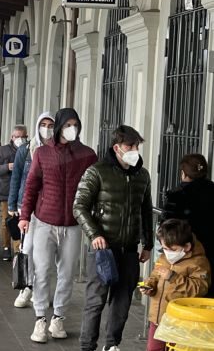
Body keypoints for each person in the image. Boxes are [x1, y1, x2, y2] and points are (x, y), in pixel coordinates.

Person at [18, 107, 97, 343]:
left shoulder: (87, 155)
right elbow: (31, 186)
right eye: (68, 124)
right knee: (41, 271)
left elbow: (94, 188)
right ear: (60, 126)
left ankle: (59, 317)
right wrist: (24, 216)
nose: (72, 128)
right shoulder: (42, 153)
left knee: (67, 273)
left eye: (76, 124)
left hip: (73, 224)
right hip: (44, 222)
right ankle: (40, 318)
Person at [74, 125, 154, 351]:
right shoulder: (97, 171)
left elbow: (146, 211)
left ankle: (112, 345)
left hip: (129, 248)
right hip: (103, 249)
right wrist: (95, 234)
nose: (134, 150)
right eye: (130, 145)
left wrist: (148, 244)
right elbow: (79, 206)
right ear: (117, 147)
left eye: (137, 146)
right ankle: (87, 346)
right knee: (96, 301)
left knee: (122, 302)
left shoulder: (142, 175)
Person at [140, 219, 211, 351]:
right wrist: (150, 286)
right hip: (157, 317)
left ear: (187, 247)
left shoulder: (198, 262)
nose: (167, 253)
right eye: (164, 248)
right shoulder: (163, 257)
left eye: (172, 249)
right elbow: (155, 275)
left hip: (179, 320)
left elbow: (199, 289)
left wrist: (173, 277)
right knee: (153, 348)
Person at [8, 112, 54, 308]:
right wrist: (12, 204)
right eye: (43, 124)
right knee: (27, 248)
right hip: (27, 205)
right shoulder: (26, 150)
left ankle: (38, 289)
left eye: (50, 125)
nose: (46, 128)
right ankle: (25, 288)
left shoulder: (59, 150)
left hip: (49, 206)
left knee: (44, 251)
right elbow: (16, 178)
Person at [162, 154, 214, 297]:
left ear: (183, 173)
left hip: (185, 256)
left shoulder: (177, 196)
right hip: (211, 255)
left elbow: (166, 229)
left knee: (183, 296)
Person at [0, 124, 28, 261]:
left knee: (21, 221)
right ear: (12, 137)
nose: (20, 139)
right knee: (7, 221)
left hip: (23, 191)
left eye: (23, 137)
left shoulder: (29, 150)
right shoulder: (3, 150)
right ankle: (6, 247)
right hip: (7, 191)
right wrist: (6, 167)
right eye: (17, 136)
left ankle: (18, 247)